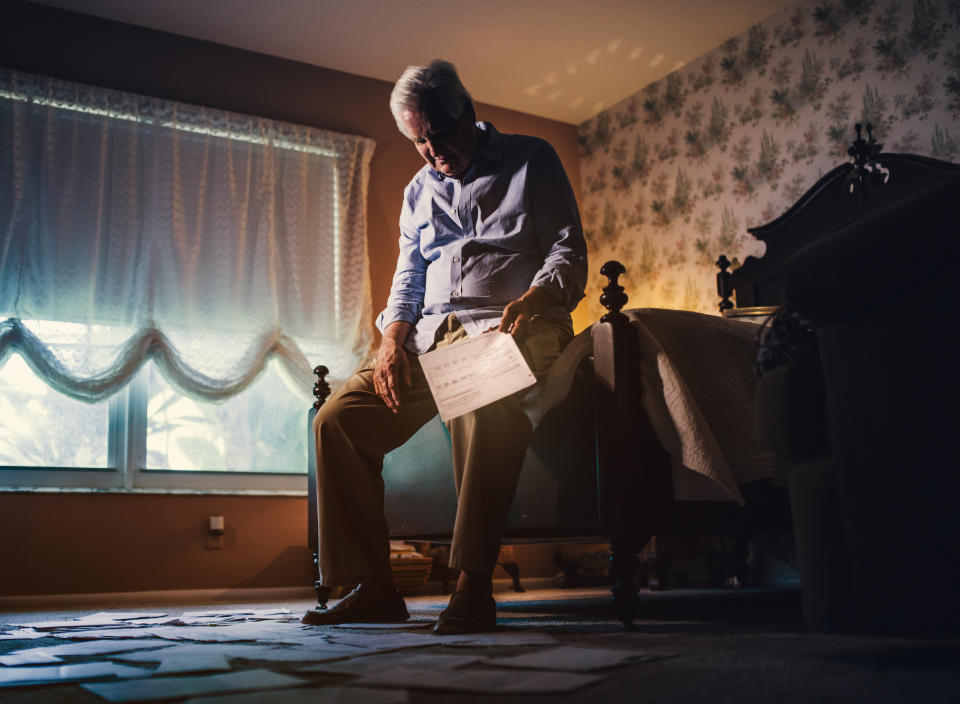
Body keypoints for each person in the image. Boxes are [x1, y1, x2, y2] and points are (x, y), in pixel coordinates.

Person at [304, 59, 587, 634]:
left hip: (513, 324)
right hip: (429, 338)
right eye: (419, 141)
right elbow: (408, 278)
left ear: (470, 113)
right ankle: (374, 586)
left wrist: (535, 297)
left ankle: (473, 584)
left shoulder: (531, 159)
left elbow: (567, 249)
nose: (433, 150)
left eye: (439, 133)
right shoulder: (417, 191)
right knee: (336, 419)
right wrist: (389, 342)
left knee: (478, 396)